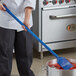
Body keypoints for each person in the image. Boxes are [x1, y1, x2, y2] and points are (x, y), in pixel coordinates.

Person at [0, 0, 36, 76]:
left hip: (25, 18)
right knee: (4, 54)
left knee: (26, 52)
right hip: (5, 17)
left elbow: (30, 1)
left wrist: (27, 18)